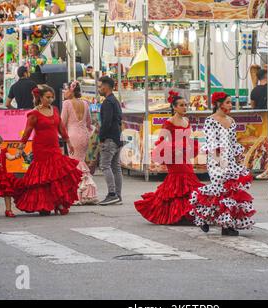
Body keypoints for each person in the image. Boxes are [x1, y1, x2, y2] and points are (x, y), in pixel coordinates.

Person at [189, 92, 256, 237]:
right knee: (219, 189)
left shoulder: (231, 121)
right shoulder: (210, 120)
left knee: (231, 191)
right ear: (219, 104)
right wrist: (220, 163)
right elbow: (211, 143)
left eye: (231, 103)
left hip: (230, 159)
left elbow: (233, 141)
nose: (231, 106)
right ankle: (202, 216)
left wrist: (238, 158)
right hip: (216, 160)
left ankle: (227, 225)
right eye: (228, 103)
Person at [134, 91, 204, 225]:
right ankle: (180, 213)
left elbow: (189, 138)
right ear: (174, 107)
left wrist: (189, 147)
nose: (185, 107)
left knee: (188, 179)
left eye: (186, 105)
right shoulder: (169, 122)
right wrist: (173, 149)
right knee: (180, 180)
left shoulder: (186, 121)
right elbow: (160, 141)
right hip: (175, 157)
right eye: (182, 105)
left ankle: (186, 212)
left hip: (185, 155)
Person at [15, 85, 82, 215]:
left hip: (54, 147)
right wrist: (20, 148)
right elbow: (27, 132)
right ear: (40, 97)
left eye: (52, 97)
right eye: (48, 97)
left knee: (56, 174)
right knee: (43, 176)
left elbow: (61, 127)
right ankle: (44, 204)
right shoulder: (34, 113)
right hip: (41, 148)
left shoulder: (55, 110)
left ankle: (59, 202)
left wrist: (68, 142)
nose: (50, 100)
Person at [61, 80, 98, 205]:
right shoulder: (85, 103)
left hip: (72, 135)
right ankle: (87, 192)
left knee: (75, 163)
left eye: (65, 89)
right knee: (81, 161)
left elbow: (62, 122)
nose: (64, 92)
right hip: (84, 135)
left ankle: (78, 195)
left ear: (70, 90)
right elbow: (88, 123)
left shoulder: (66, 103)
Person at [97, 76, 123, 206]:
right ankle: (118, 195)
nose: (99, 89)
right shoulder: (115, 101)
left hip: (110, 139)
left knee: (105, 165)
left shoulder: (107, 102)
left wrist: (101, 137)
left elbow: (106, 122)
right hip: (117, 138)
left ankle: (112, 194)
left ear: (106, 86)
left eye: (100, 86)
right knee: (116, 167)